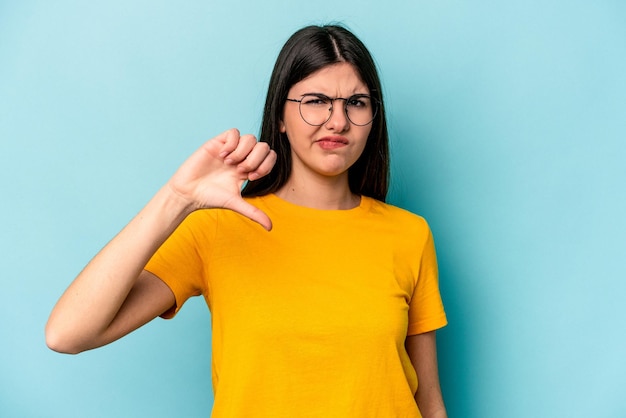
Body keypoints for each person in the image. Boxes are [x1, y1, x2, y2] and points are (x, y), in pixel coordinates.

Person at [46, 25, 448, 418]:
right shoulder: (219, 227)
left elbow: (428, 402)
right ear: (280, 118)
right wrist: (177, 197)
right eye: (315, 101)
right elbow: (67, 334)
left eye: (356, 103)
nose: (338, 121)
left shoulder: (409, 234)